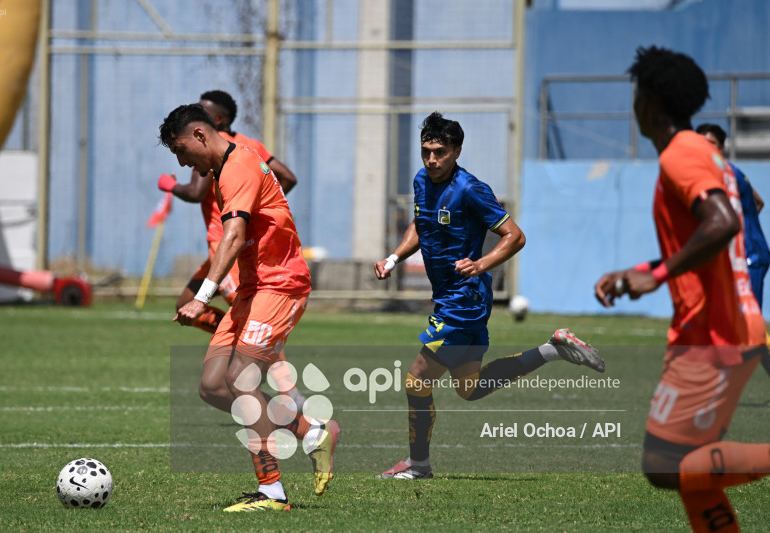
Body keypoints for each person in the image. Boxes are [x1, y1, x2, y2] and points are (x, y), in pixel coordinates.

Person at [594, 46, 770, 533]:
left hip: (712, 333)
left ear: (648, 101)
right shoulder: (701, 152)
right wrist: (641, 269)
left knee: (664, 465)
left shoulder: (681, 154)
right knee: (693, 468)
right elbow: (703, 234)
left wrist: (659, 274)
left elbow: (722, 223)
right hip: (723, 324)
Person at [374, 112, 605, 480]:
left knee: (417, 381)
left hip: (463, 300)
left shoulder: (470, 189)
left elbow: (515, 235)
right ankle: (552, 349)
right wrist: (394, 256)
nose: (431, 160)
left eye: (440, 152)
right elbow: (421, 223)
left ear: (457, 150)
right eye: (426, 152)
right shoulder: (422, 181)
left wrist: (480, 265)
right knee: (469, 388)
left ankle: (419, 467)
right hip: (454, 297)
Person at [159, 103, 338, 512]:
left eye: (181, 150)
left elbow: (235, 234)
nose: (183, 160)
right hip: (253, 289)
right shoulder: (229, 166)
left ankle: (272, 492)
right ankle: (311, 432)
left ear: (201, 135)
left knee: (240, 380)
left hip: (280, 286)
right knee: (212, 385)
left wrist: (200, 298)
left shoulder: (238, 166)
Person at [159, 90, 306, 409]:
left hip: (228, 244)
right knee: (187, 303)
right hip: (229, 246)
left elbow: (198, 192)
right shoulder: (250, 147)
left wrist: (170, 185)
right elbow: (287, 178)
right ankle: (293, 411)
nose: (183, 161)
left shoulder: (226, 155)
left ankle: (291, 396)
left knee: (253, 321)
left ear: (216, 121)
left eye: (205, 110)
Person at [695, 123, 770, 378]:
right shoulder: (731, 172)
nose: (706, 148)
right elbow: (758, 202)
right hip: (744, 253)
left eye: (712, 143)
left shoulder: (723, 175)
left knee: (749, 328)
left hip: (751, 256)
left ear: (722, 147)